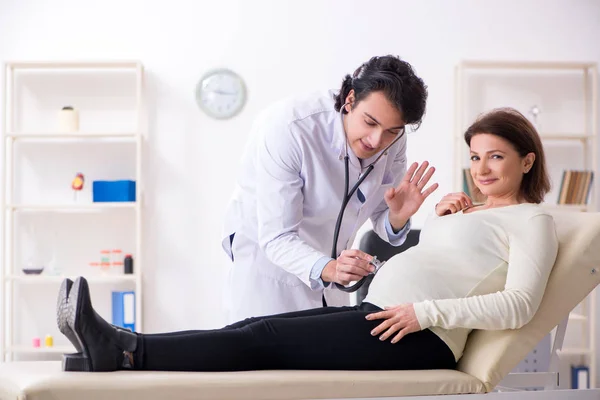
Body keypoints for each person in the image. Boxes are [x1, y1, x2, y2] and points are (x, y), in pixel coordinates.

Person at [56, 108, 559, 373]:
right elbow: (444, 269)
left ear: (527, 159)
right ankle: (112, 349)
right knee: (258, 324)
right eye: (475, 157)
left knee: (263, 341)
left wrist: (423, 314)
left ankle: (124, 351)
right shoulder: (466, 212)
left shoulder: (533, 221)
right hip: (384, 313)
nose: (481, 168)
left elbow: (518, 305)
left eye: (495, 157)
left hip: (416, 336)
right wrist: (447, 221)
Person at [221, 55, 432, 322]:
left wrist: (397, 219)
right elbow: (276, 237)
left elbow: (382, 217)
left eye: (392, 130)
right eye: (370, 123)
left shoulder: (393, 138)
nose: (377, 140)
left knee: (321, 361)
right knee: (263, 359)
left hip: (332, 276)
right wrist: (329, 268)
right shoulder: (288, 128)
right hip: (268, 275)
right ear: (350, 99)